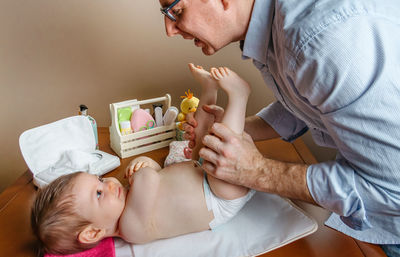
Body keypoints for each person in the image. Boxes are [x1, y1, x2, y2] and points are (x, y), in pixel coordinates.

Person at [157, 0, 400, 255]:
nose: (169, 29)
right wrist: (238, 128)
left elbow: (390, 187)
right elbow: (309, 96)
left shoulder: (322, 39)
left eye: (177, 10)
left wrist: (256, 171)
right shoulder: (276, 28)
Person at [30, 63, 255, 255]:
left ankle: (209, 89)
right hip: (220, 198)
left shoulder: (126, 198)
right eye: (98, 193)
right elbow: (149, 178)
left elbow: (157, 173)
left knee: (200, 142)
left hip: (200, 170)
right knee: (222, 152)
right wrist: (142, 169)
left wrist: (149, 163)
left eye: (99, 180)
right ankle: (238, 97)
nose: (107, 184)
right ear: (93, 232)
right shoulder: (131, 228)